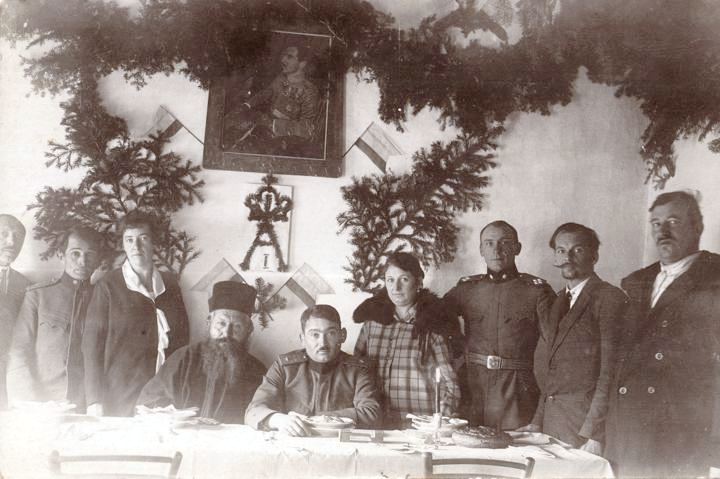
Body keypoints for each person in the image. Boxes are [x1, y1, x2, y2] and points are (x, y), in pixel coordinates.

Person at [605, 191, 720, 477]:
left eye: (673, 221)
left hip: (678, 434)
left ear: (697, 227)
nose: (663, 231)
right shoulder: (637, 281)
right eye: (656, 223)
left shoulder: (714, 277)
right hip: (629, 428)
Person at [518, 223, 627, 454]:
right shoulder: (558, 301)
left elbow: (611, 373)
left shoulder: (609, 298)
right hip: (552, 426)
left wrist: (594, 434)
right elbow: (552, 374)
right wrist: (537, 421)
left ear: (594, 256)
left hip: (584, 431)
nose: (567, 257)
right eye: (561, 250)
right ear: (555, 258)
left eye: (577, 250)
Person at [444, 220, 555, 429]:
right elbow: (434, 320)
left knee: (516, 445)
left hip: (517, 393)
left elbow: (558, 347)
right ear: (481, 249)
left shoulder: (536, 292)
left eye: (505, 243)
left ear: (517, 248)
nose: (496, 250)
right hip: (472, 390)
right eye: (489, 243)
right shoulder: (467, 289)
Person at [82, 211, 189, 417]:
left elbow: (182, 340)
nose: (136, 246)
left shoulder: (170, 284)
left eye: (143, 238)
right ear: (123, 244)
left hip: (163, 394)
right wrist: (94, 400)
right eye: (129, 239)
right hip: (119, 394)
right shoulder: (108, 285)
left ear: (154, 242)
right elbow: (92, 346)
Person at [353, 252, 461, 428]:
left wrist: (438, 423)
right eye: (390, 280)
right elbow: (356, 373)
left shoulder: (432, 327)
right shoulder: (372, 325)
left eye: (404, 279)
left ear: (418, 283)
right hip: (376, 424)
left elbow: (451, 386)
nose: (395, 287)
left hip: (418, 427)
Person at [136, 281, 266, 423]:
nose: (226, 333)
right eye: (221, 323)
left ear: (249, 330)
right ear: (209, 322)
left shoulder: (257, 371)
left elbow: (262, 415)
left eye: (237, 327)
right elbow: (150, 402)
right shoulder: (183, 358)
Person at [245, 305, 380, 435]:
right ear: (302, 339)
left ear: (342, 335)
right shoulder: (284, 367)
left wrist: (321, 419)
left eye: (331, 333)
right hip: (293, 442)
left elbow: (371, 413)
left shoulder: (358, 370)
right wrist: (278, 420)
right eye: (315, 335)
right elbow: (253, 411)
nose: (323, 343)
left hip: (337, 444)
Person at [6, 226, 102, 409]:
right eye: (75, 254)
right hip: (45, 403)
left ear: (98, 260)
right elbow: (18, 352)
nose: (82, 262)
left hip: (89, 405)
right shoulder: (38, 295)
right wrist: (30, 403)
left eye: (90, 255)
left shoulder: (105, 299)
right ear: (61, 255)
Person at [225, 44, 322, 156]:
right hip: (262, 125)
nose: (282, 60)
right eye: (283, 55)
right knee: (231, 128)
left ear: (302, 63)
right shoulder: (281, 78)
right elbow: (267, 92)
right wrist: (247, 105)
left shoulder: (310, 92)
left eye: (289, 57)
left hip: (284, 141)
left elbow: (307, 128)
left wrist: (272, 124)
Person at [0, 214, 32, 409]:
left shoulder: (25, 285)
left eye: (17, 237)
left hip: (9, 377)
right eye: (4, 234)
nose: (12, 242)